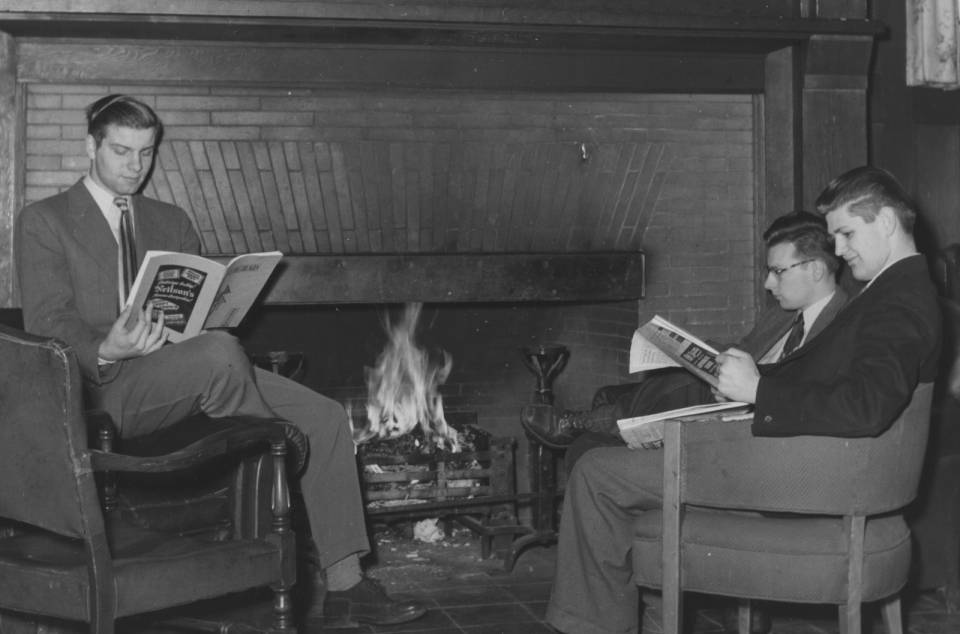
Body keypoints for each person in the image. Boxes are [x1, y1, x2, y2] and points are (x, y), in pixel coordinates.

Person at [14, 94, 426, 627]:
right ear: (89, 146)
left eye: (146, 153)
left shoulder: (169, 219)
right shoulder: (45, 221)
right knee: (220, 357)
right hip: (103, 387)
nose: (135, 167)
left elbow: (200, 314)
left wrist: (221, 304)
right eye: (121, 151)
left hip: (191, 367)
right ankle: (259, 542)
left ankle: (346, 583)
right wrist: (106, 348)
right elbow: (46, 323)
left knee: (322, 418)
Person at [544, 166, 942, 634]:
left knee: (597, 474)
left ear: (888, 223)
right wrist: (750, 381)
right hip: (811, 464)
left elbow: (865, 405)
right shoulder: (897, 292)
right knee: (630, 478)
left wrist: (757, 390)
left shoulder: (896, 302)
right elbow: (840, 385)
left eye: (846, 232)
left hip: (805, 476)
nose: (837, 249)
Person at [522, 210, 849, 471]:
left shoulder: (842, 325)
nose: (767, 282)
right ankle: (596, 423)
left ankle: (581, 422)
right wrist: (695, 348)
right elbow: (747, 350)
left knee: (684, 384)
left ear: (816, 270)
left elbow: (800, 393)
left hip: (755, 428)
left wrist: (747, 387)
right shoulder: (783, 313)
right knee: (601, 420)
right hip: (729, 402)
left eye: (778, 271)